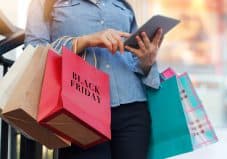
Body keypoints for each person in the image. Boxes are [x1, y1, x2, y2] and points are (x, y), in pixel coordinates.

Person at [25, 0, 164, 159]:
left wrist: (147, 61)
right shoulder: (43, 3)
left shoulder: (123, 4)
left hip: (132, 107)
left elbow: (134, 58)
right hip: (79, 109)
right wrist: (86, 40)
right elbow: (34, 52)